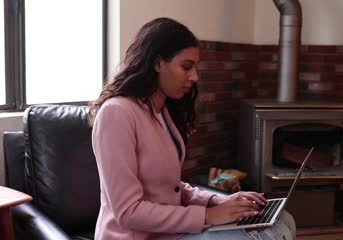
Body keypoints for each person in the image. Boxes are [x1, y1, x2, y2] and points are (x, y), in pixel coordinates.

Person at [88, 17, 296, 240]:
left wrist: (217, 200)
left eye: (195, 67)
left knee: (284, 219)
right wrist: (208, 216)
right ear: (157, 63)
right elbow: (128, 212)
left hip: (170, 232)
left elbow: (169, 188)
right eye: (186, 66)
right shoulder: (117, 114)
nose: (195, 77)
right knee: (261, 236)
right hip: (136, 237)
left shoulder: (162, 112)